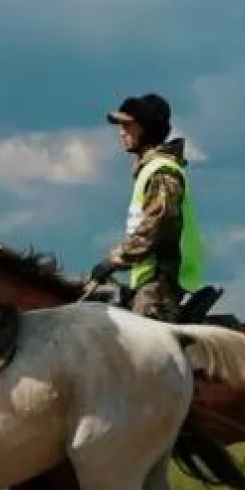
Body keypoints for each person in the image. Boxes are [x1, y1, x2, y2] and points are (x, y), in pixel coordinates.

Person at [88, 93, 203, 322]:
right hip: (148, 277)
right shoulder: (151, 169)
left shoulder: (161, 171)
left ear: (147, 129)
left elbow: (156, 226)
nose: (122, 132)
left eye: (128, 126)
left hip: (160, 284)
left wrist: (114, 260)